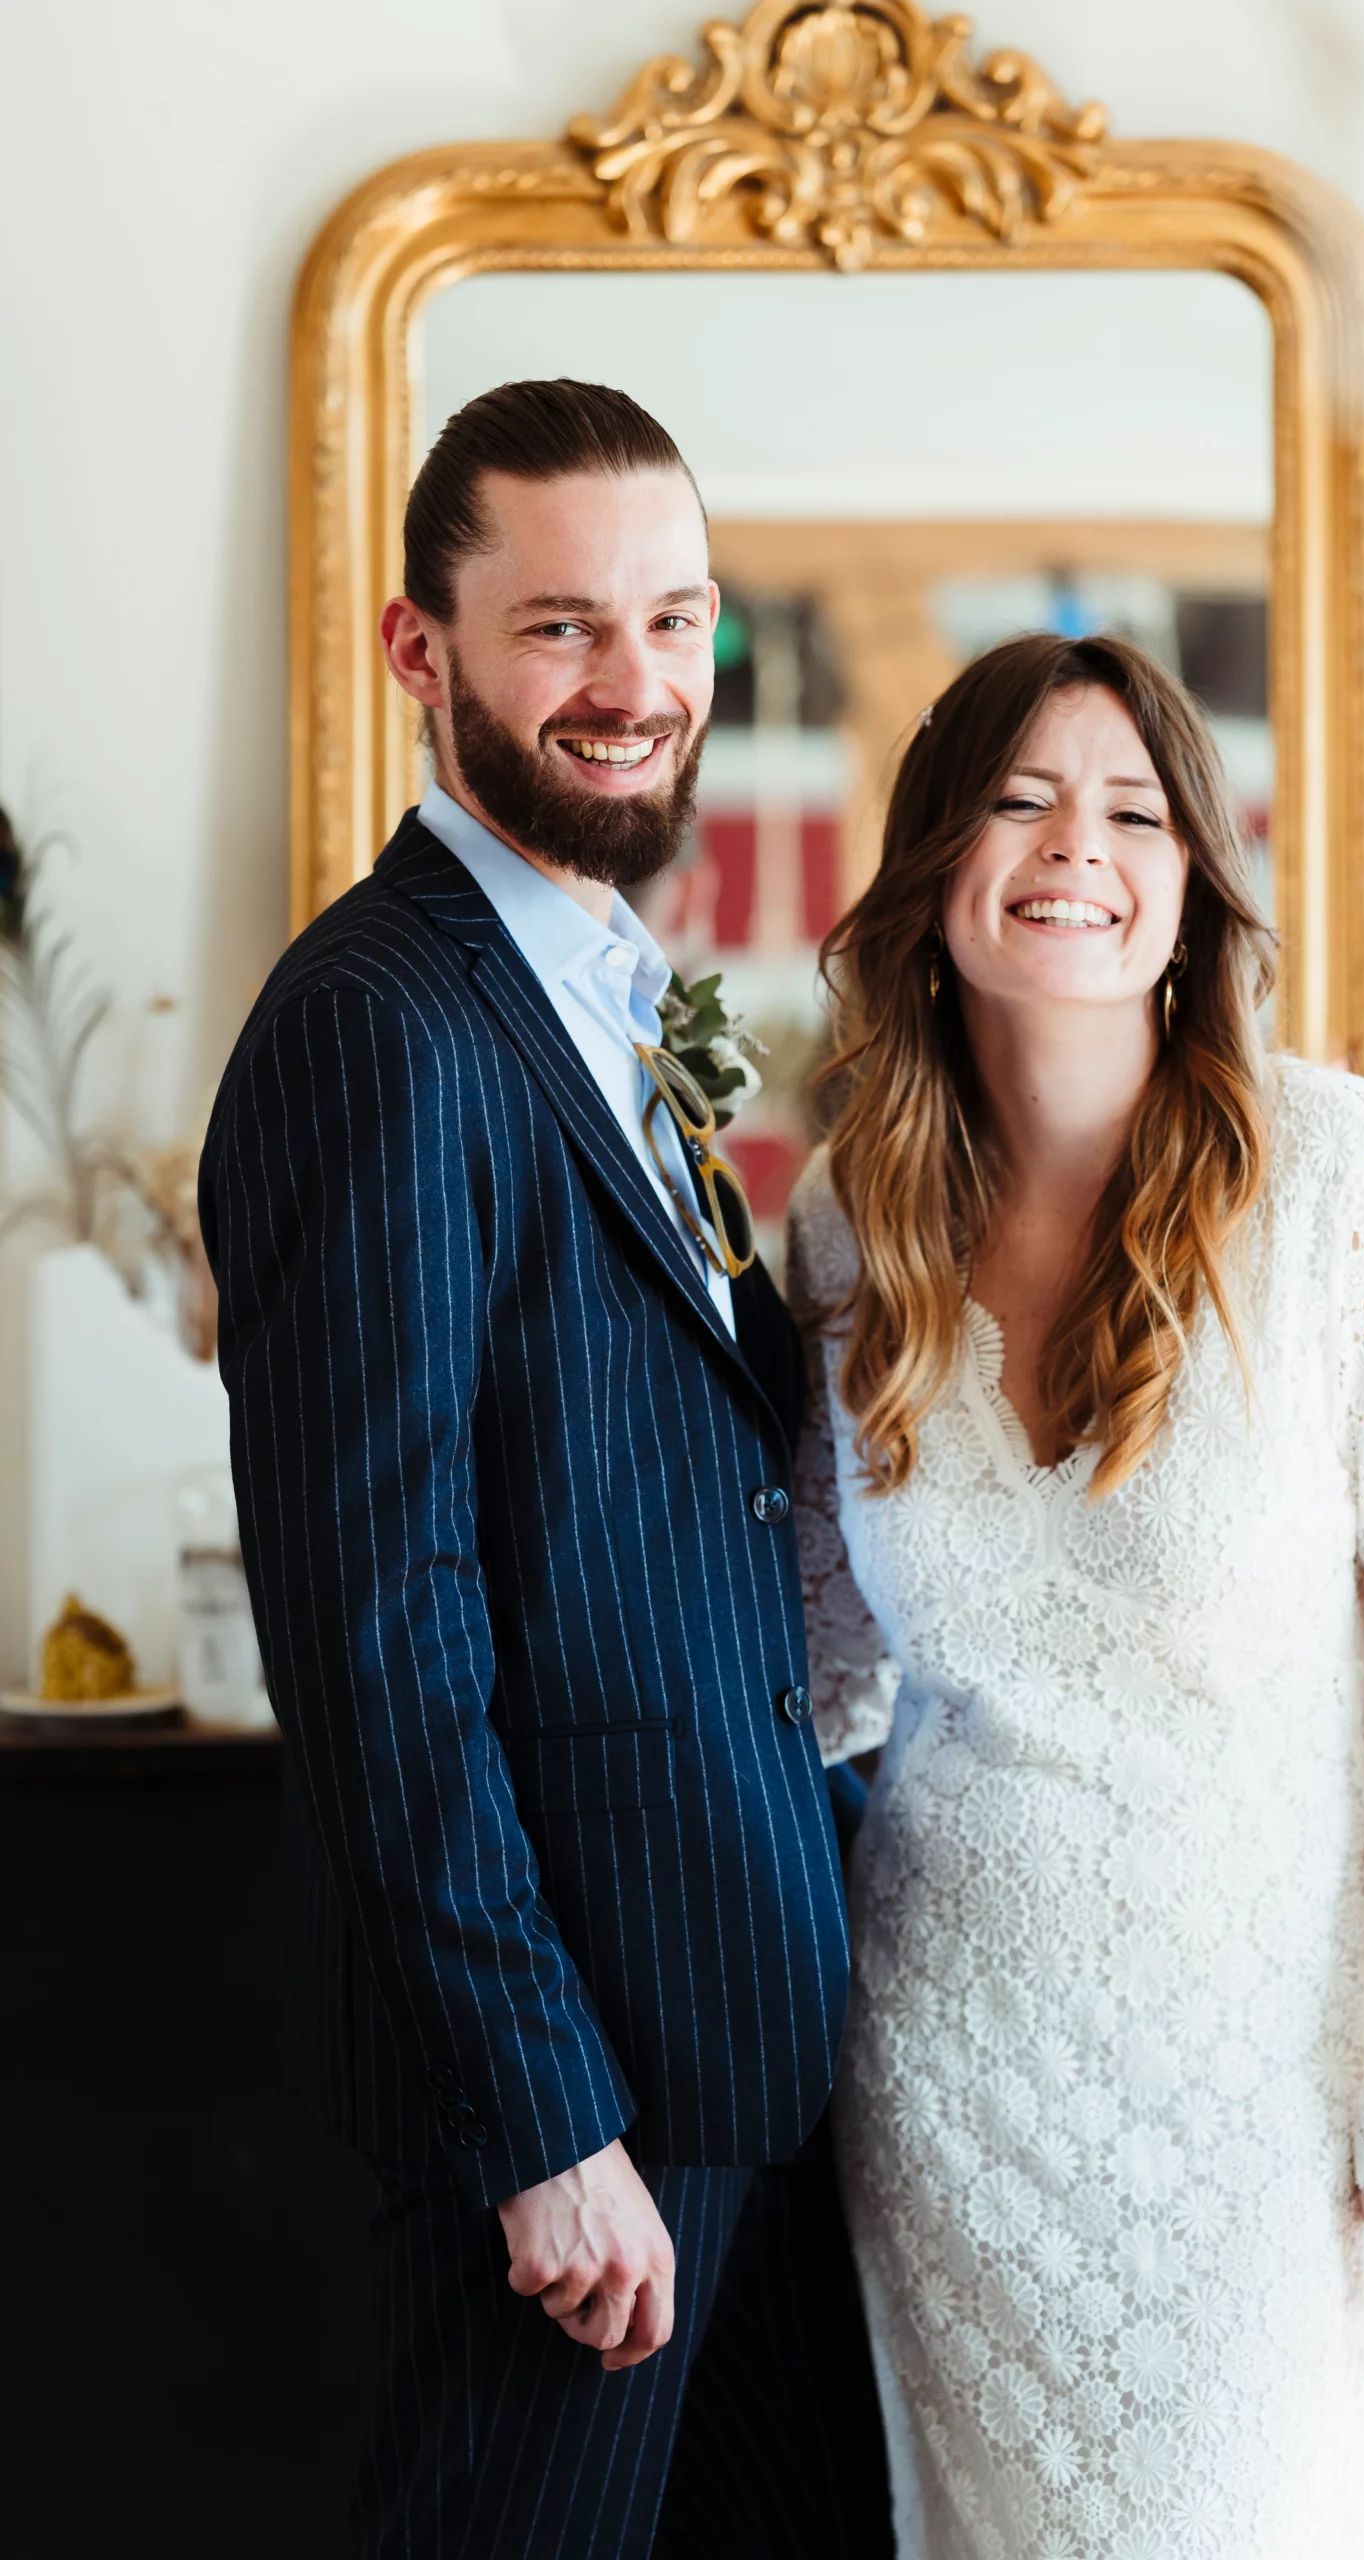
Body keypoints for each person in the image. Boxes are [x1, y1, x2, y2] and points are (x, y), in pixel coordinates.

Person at [199, 378, 889, 2560]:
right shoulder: (379, 1023)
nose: (636, 689)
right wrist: (546, 2118)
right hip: (580, 2102)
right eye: (562, 630)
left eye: (675, 625)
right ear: (423, 651)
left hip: (733, 2052)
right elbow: (380, 1621)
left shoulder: (603, 981)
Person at [787, 631, 1364, 2557]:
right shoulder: (846, 1225)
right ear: (935, 866)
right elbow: (823, 1668)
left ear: (1192, 880)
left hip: (1267, 2110)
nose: (1073, 848)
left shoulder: (1343, 1182)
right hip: (949, 2097)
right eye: (1019, 800)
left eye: (1129, 809)